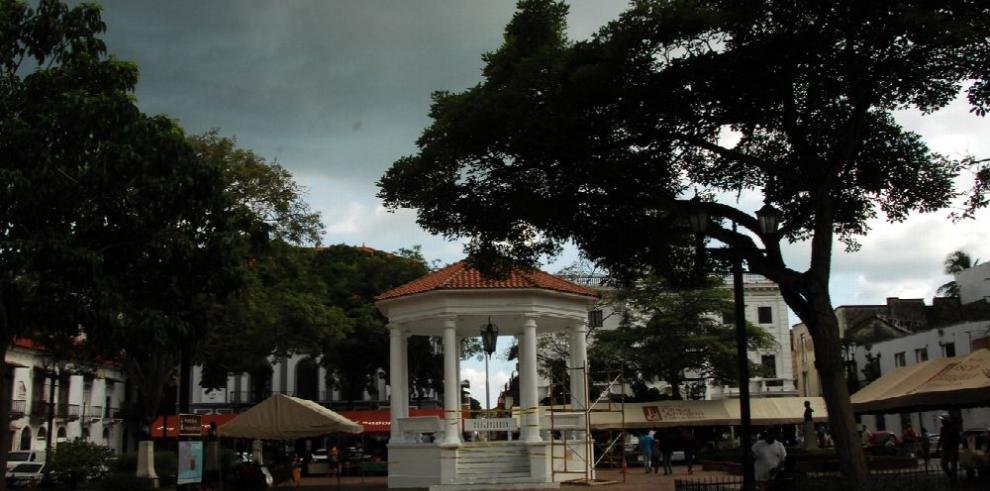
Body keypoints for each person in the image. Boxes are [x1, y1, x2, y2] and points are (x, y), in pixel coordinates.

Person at [937, 414, 960, 479]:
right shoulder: (942, 429)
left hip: (952, 449)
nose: (941, 421)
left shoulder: (954, 428)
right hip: (945, 448)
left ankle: (954, 479)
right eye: (941, 420)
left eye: (942, 420)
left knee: (953, 466)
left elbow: (957, 439)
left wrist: (955, 446)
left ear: (946, 421)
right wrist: (938, 447)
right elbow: (941, 438)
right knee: (943, 464)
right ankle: (950, 476)